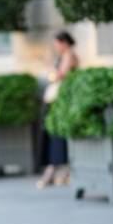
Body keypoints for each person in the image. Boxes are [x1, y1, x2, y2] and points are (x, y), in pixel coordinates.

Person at [37, 30, 79, 188]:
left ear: (64, 42)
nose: (56, 47)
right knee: (52, 136)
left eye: (57, 43)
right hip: (54, 100)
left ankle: (54, 172)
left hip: (59, 102)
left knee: (56, 136)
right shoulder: (64, 56)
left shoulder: (69, 56)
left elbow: (59, 76)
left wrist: (48, 67)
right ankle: (59, 172)